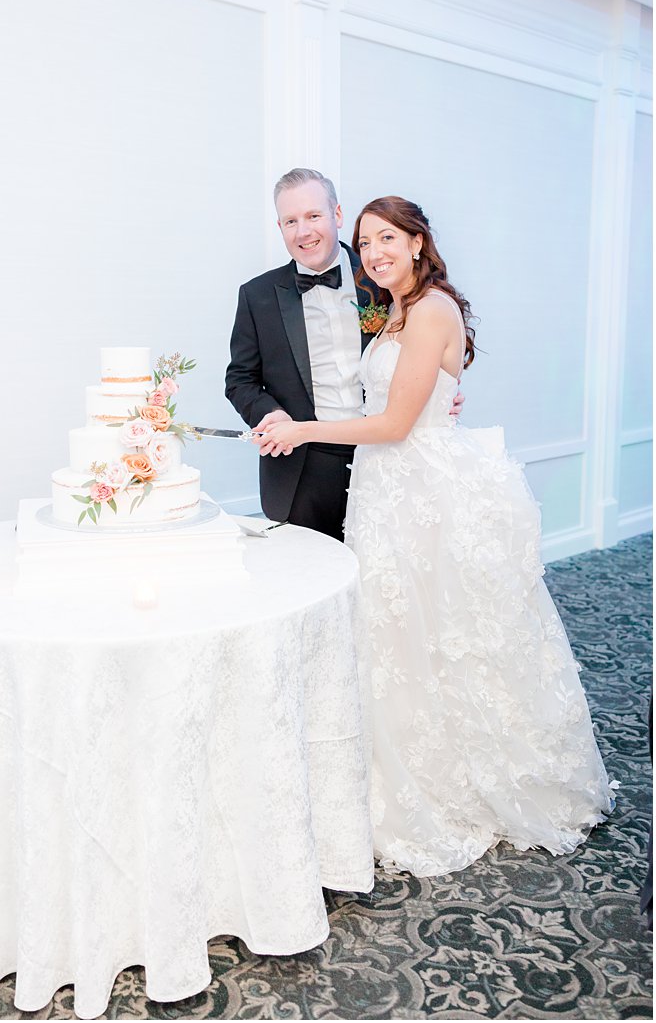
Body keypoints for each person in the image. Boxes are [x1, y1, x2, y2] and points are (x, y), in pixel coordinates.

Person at [256, 195, 614, 875]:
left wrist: (302, 429)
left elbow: (394, 424)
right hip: (389, 492)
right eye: (364, 243)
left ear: (418, 241)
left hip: (421, 491)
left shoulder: (431, 307)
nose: (374, 253)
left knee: (441, 634)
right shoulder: (390, 307)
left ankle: (457, 781)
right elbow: (405, 395)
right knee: (400, 637)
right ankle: (404, 769)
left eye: (387, 238)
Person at [226, 169, 407, 540]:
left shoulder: (383, 279)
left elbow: (422, 347)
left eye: (313, 216)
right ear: (280, 227)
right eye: (291, 221)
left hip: (384, 455)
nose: (303, 232)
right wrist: (271, 414)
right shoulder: (256, 295)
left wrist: (436, 392)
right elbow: (240, 380)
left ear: (337, 216)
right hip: (303, 467)